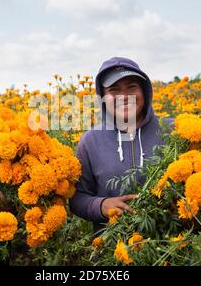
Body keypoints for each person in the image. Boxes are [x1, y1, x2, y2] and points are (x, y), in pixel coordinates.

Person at [69, 57, 173, 233]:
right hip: (114, 249)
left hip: (173, 247)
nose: (124, 97)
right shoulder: (90, 141)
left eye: (132, 87)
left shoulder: (172, 131)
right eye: (113, 90)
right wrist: (102, 206)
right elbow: (77, 198)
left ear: (144, 91)